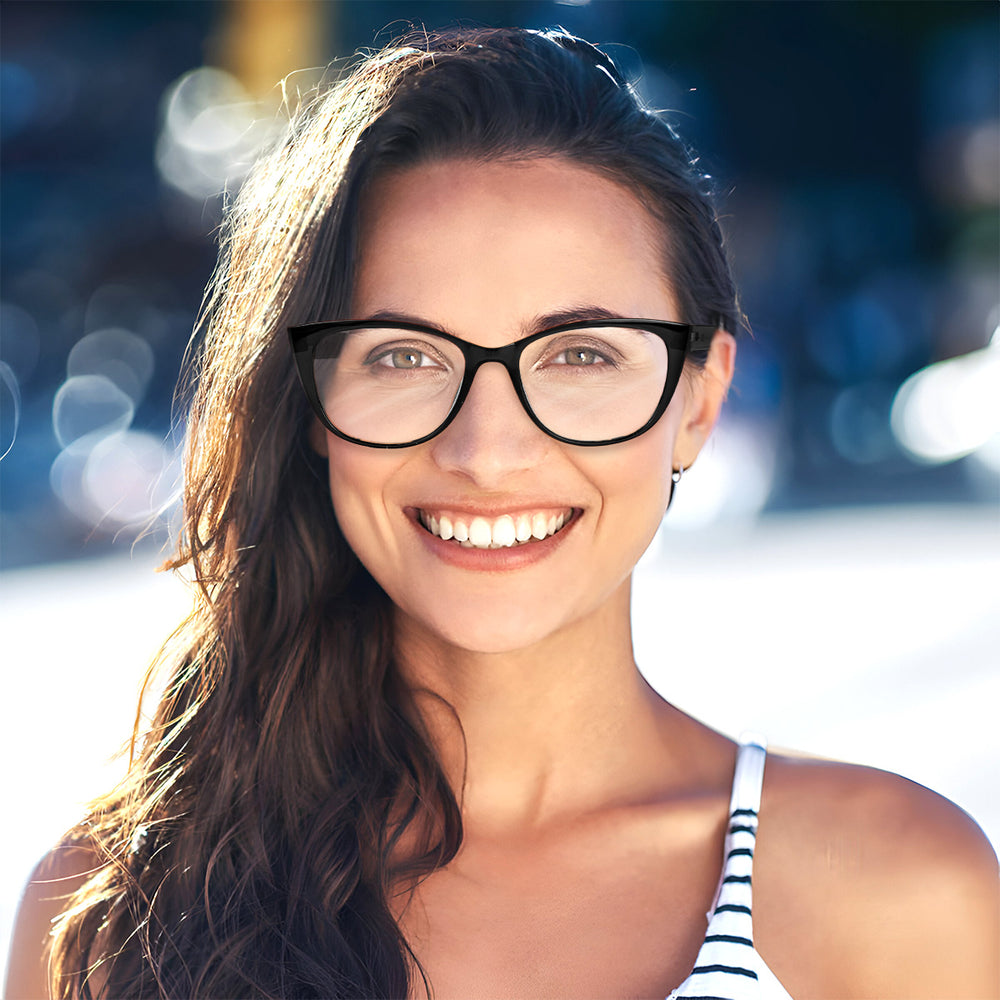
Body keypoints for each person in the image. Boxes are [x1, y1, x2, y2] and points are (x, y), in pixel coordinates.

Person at [6, 26, 998, 1000]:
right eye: (403, 355)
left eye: (579, 356)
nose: (486, 451)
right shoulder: (111, 910)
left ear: (696, 400)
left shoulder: (896, 889)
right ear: (311, 403)